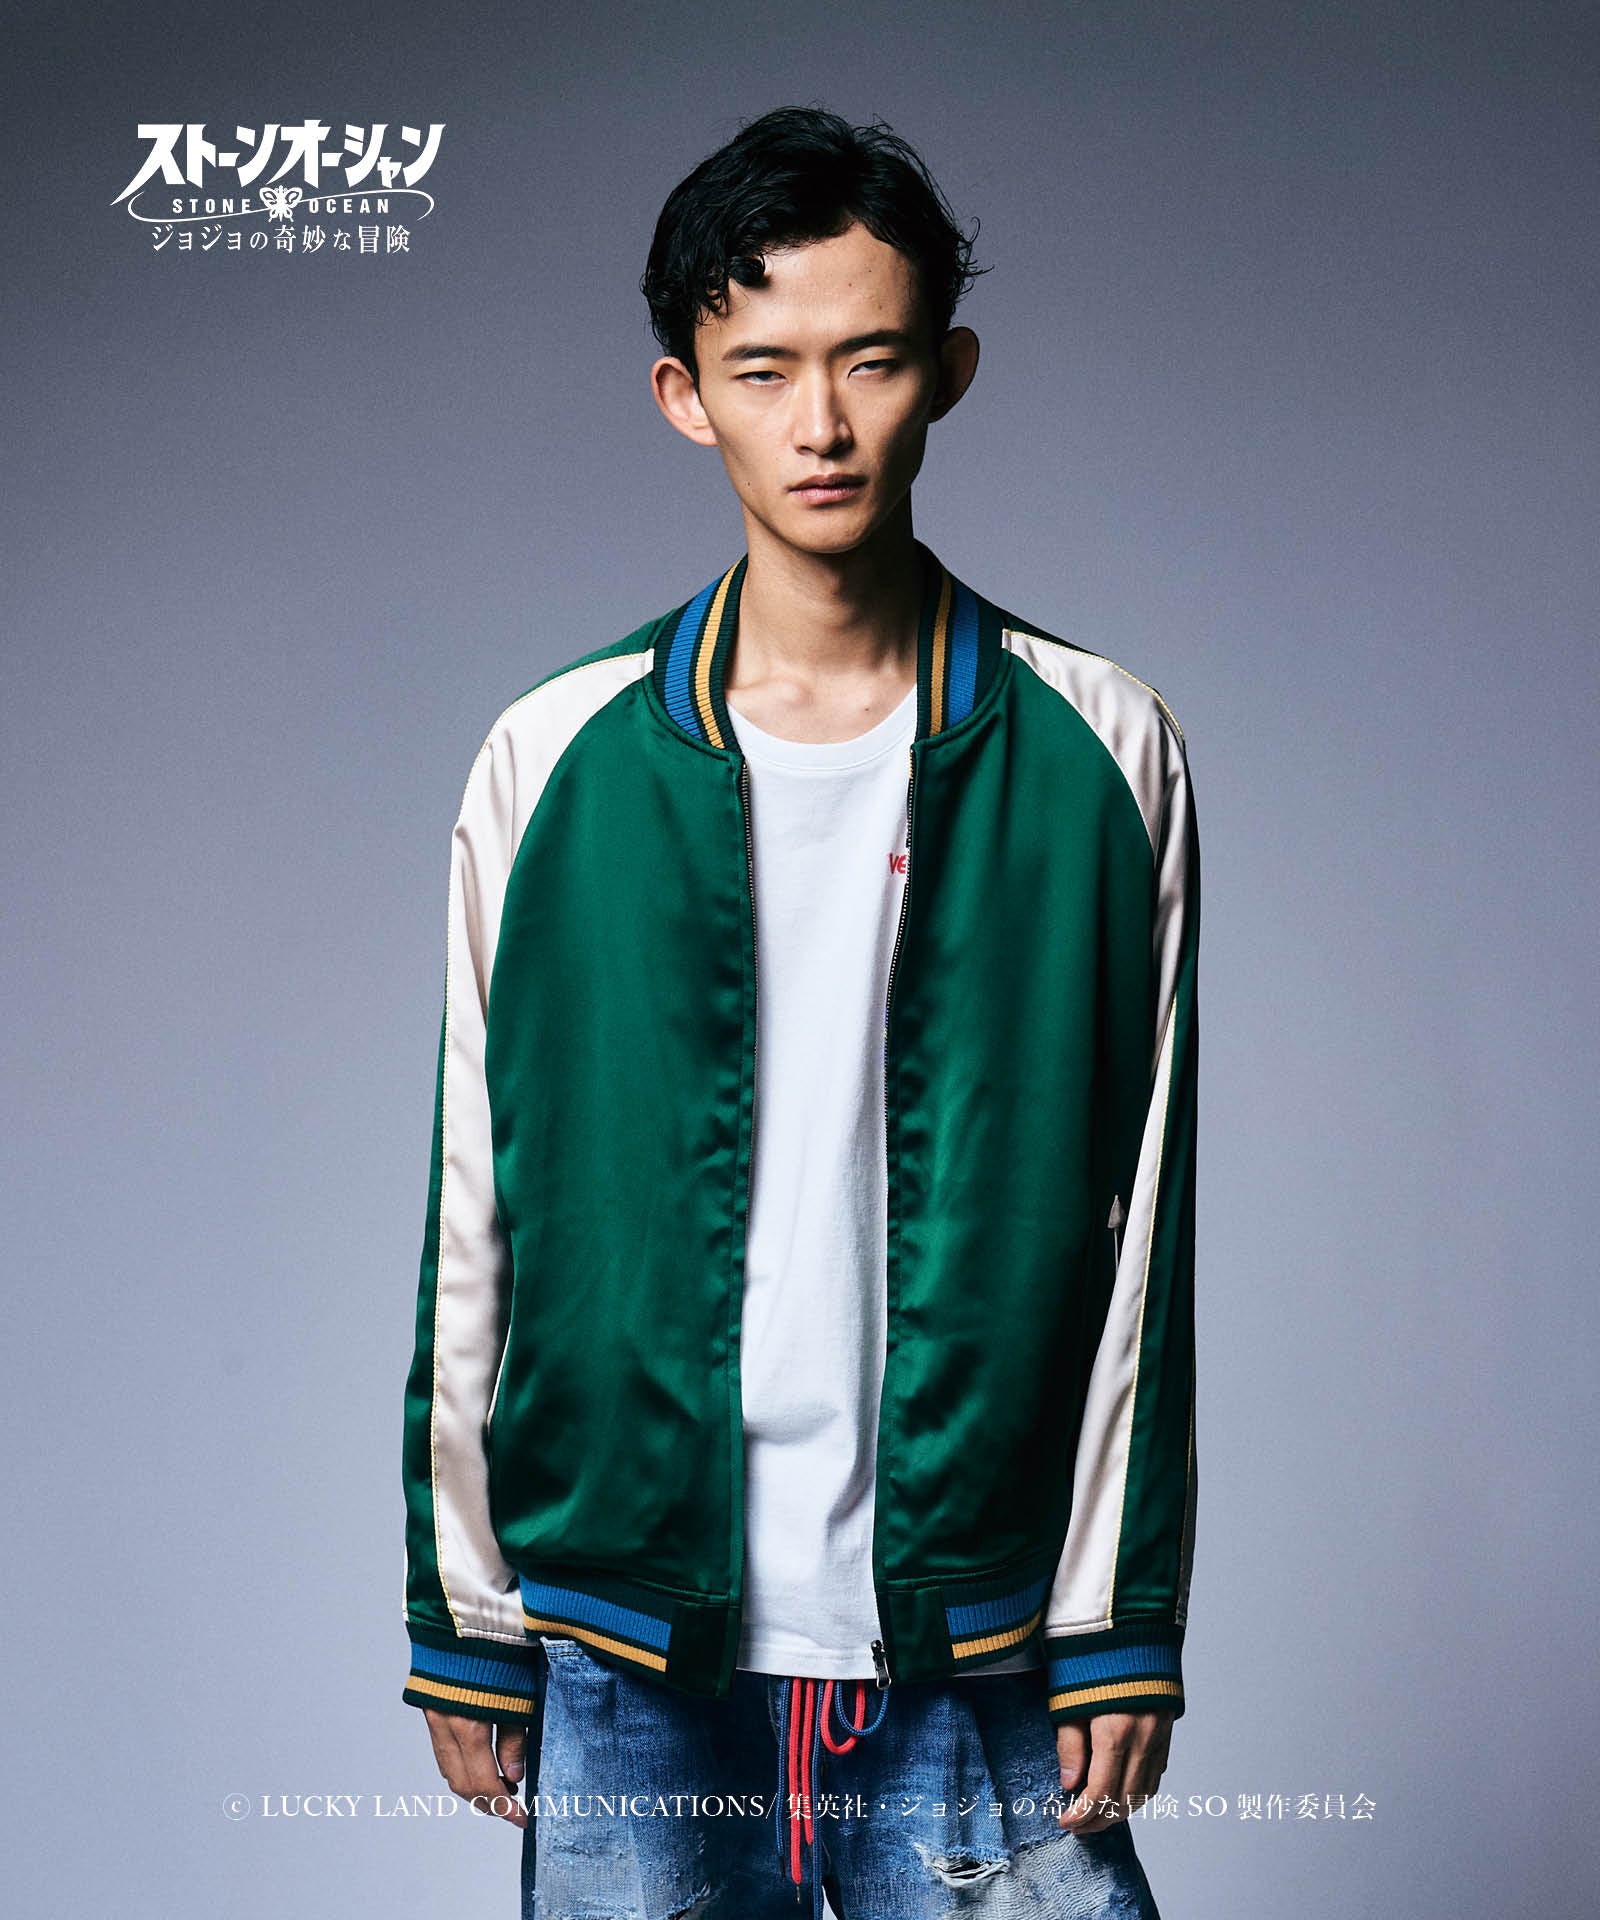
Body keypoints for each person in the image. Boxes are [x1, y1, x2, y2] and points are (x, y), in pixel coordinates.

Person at [399, 104, 1199, 1920]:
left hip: (979, 1633)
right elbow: (473, 1205)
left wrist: (1119, 1615)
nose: (821, 424)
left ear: (949, 375)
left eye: (871, 361)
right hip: (627, 1638)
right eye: (763, 371)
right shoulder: (553, 759)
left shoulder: (1103, 750)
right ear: (685, 395)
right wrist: (467, 1614)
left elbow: (1146, 1214)